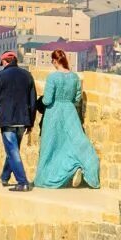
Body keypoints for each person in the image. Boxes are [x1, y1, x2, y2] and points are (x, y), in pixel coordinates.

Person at [32, 49, 101, 191]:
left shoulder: (53, 77)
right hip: (70, 112)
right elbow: (77, 99)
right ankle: (79, 167)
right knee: (75, 142)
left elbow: (47, 99)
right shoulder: (74, 77)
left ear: (55, 61)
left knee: (51, 147)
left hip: (54, 113)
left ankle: (48, 177)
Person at [0, 49, 40, 190]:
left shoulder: (1, 76)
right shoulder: (27, 76)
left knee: (12, 151)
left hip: (7, 120)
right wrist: (30, 122)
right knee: (13, 150)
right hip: (23, 120)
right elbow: (33, 101)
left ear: (5, 62)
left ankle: (22, 182)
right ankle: (5, 177)